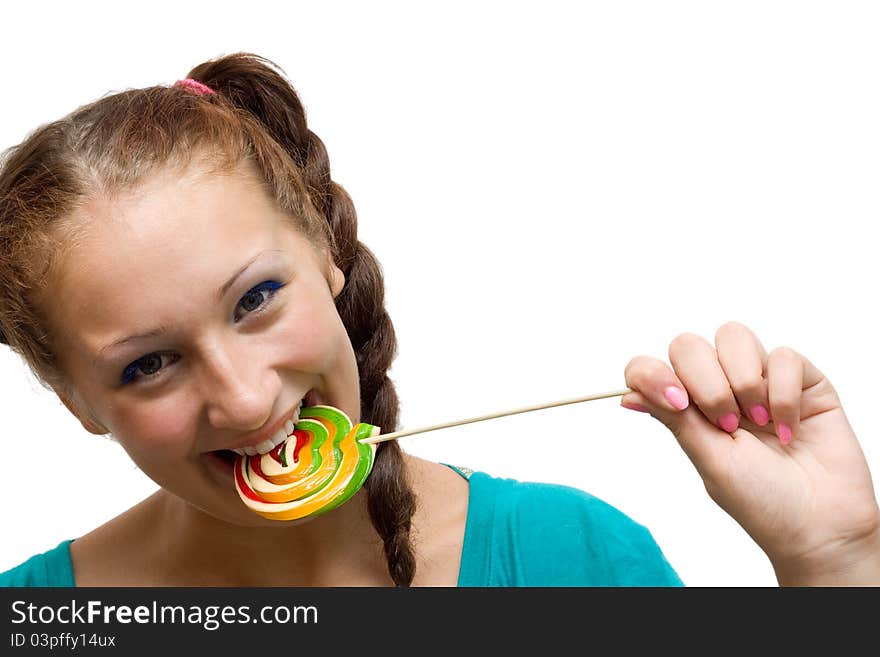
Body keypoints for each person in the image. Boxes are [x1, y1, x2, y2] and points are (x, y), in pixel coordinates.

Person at [0, 53, 874, 587]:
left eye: (256, 299)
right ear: (76, 399)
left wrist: (834, 562)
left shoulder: (573, 557)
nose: (243, 399)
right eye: (148, 364)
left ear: (323, 248)